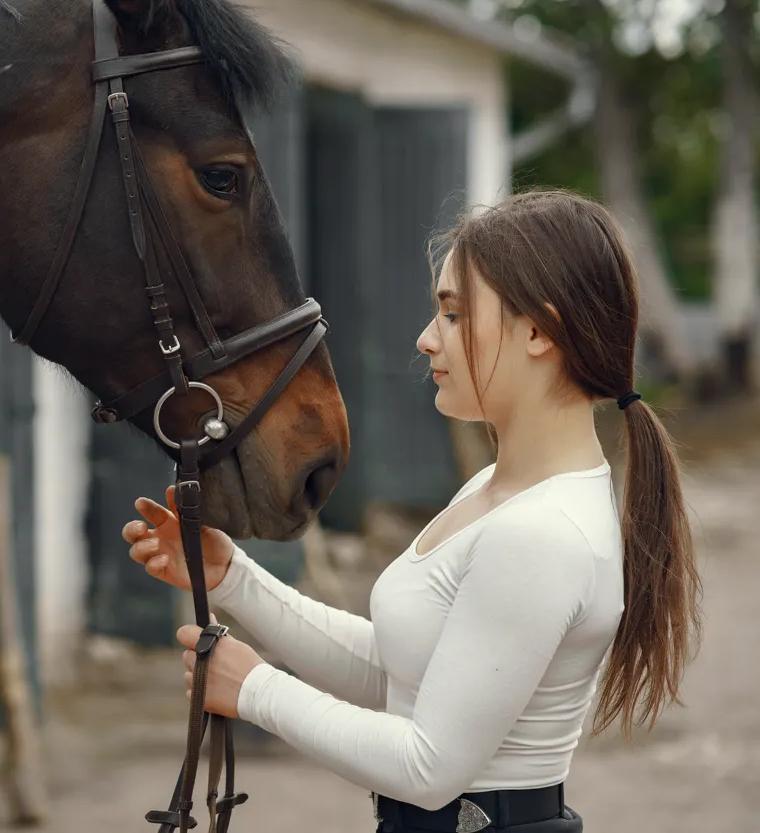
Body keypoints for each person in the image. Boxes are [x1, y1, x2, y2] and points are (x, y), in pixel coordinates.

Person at [122, 189, 702, 832]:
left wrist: (256, 689)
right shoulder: (498, 492)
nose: (427, 340)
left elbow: (428, 770)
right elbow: (403, 672)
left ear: (539, 331)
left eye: (454, 316)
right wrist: (233, 578)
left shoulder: (541, 533)